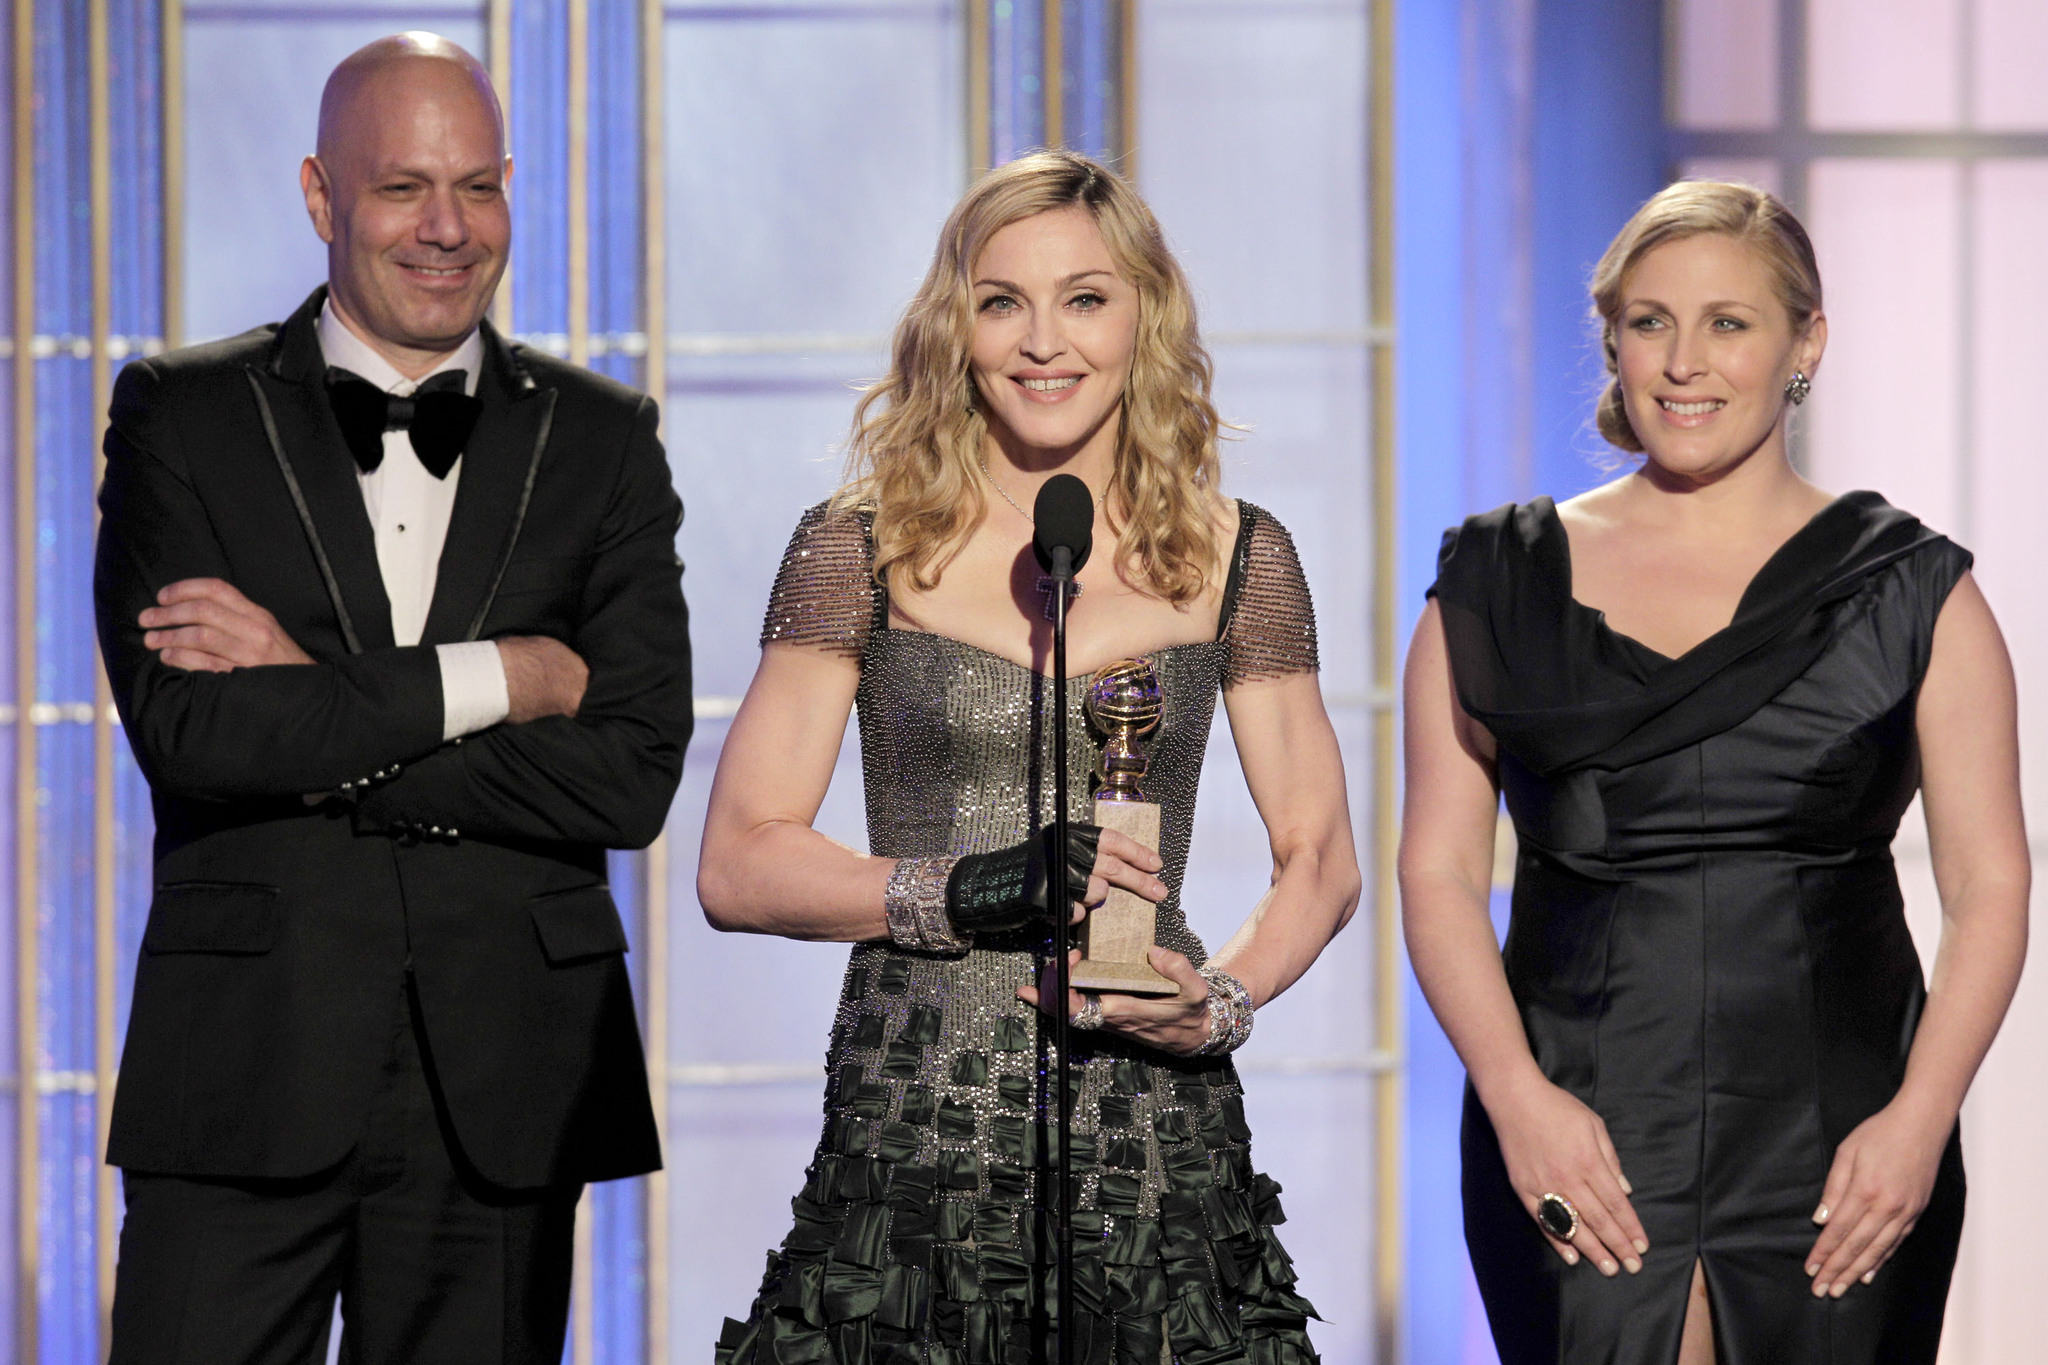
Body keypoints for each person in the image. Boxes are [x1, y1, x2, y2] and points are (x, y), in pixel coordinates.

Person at [699, 150, 1358, 1364]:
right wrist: (958, 887)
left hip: (1149, 1133)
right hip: (915, 1124)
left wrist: (1219, 1003)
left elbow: (1321, 857)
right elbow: (738, 864)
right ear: (956, 324)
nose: (1042, 341)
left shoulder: (1237, 557)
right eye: (1002, 301)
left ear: (1143, 318)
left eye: (1084, 299)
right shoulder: (860, 546)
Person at [92, 32, 690, 1364]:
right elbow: (195, 736)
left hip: (510, 1076)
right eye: (403, 187)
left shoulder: (602, 439)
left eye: (477, 187)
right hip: (245, 1059)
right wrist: (504, 679)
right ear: (319, 196)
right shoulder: (181, 415)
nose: (446, 228)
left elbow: (631, 773)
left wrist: (311, 695)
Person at [1401, 179, 2030, 1365]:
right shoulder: (1493, 580)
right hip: (1571, 1123)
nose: (1683, 363)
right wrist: (1513, 1098)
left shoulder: (1911, 589)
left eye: (1727, 324)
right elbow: (1433, 872)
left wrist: (1918, 1120)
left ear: (1805, 344)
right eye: (1650, 323)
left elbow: (1990, 886)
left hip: (1838, 1131)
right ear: (1613, 341)